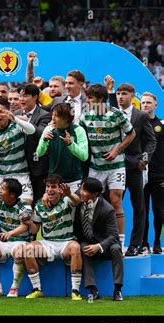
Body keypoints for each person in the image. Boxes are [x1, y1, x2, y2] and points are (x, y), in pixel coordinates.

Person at [79, 83, 136, 248]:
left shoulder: (116, 114)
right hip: (95, 166)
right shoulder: (85, 117)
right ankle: (93, 238)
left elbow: (131, 133)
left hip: (115, 165)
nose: (88, 101)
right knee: (90, 202)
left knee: (115, 200)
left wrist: (117, 151)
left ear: (101, 99)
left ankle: (120, 242)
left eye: (91, 98)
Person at [22, 174, 83, 300]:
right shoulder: (39, 204)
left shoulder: (67, 200)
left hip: (65, 243)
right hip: (47, 244)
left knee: (76, 247)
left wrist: (69, 193)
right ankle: (37, 289)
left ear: (60, 189)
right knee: (27, 249)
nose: (50, 190)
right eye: (47, 187)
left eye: (53, 187)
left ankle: (75, 291)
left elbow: (77, 201)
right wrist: (29, 223)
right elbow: (35, 230)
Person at [116, 83, 157, 256]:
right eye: (118, 93)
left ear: (132, 96)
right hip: (114, 167)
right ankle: (114, 243)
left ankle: (134, 245)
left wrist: (144, 159)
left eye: (124, 93)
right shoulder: (112, 113)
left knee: (138, 207)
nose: (120, 97)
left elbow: (151, 141)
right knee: (113, 206)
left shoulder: (141, 116)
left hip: (134, 167)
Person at [0, 98, 35, 205]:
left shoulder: (17, 125)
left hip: (20, 174)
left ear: (8, 112)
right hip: (1, 175)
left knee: (26, 205)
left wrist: (16, 119)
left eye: (1, 111)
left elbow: (32, 130)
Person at [74, 177, 124, 301]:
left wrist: (98, 246)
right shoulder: (78, 200)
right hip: (87, 241)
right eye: (81, 188)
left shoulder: (107, 209)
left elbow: (113, 236)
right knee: (82, 247)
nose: (81, 192)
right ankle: (92, 289)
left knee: (116, 248)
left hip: (105, 244)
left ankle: (118, 289)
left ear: (95, 194)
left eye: (85, 190)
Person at [36, 102, 88, 193]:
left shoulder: (78, 130)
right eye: (52, 115)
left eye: (57, 116)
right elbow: (39, 153)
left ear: (66, 118)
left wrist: (71, 144)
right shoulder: (49, 129)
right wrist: (44, 141)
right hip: (53, 181)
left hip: (73, 180)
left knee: (72, 205)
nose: (53, 118)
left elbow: (84, 156)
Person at [15, 84, 51, 203]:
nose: (21, 99)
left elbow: (40, 133)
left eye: (25, 96)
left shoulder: (45, 115)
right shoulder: (15, 114)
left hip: (37, 168)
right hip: (18, 167)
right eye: (20, 96)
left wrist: (25, 124)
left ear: (35, 97)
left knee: (37, 201)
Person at [141, 92, 163, 254]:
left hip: (159, 174)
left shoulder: (162, 124)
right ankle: (143, 242)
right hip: (140, 173)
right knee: (142, 211)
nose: (146, 105)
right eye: (143, 102)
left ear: (155, 105)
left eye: (149, 102)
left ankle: (156, 242)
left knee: (159, 210)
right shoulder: (136, 122)